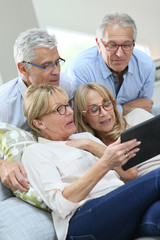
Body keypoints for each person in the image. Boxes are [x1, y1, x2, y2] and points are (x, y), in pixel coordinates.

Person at [21, 83, 160, 240]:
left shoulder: (85, 138)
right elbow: (61, 205)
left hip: (121, 210)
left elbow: (130, 173)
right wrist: (104, 163)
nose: (69, 112)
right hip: (84, 220)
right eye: (59, 109)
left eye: (68, 105)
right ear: (39, 123)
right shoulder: (36, 152)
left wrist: (93, 147)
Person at [0, 28, 75, 192]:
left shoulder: (65, 85)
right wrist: (2, 165)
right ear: (23, 69)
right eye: (47, 66)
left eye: (57, 62)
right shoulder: (3, 104)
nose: (56, 71)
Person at [65, 12, 156, 115]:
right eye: (112, 45)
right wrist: (125, 109)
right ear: (99, 45)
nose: (119, 54)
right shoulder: (81, 69)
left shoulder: (146, 65)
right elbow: (86, 116)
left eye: (126, 45)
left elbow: (145, 106)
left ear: (133, 44)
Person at [72, 82, 160, 178]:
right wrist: (92, 145)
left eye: (107, 104)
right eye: (94, 110)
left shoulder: (137, 115)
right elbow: (130, 175)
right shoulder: (92, 153)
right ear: (84, 117)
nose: (104, 113)